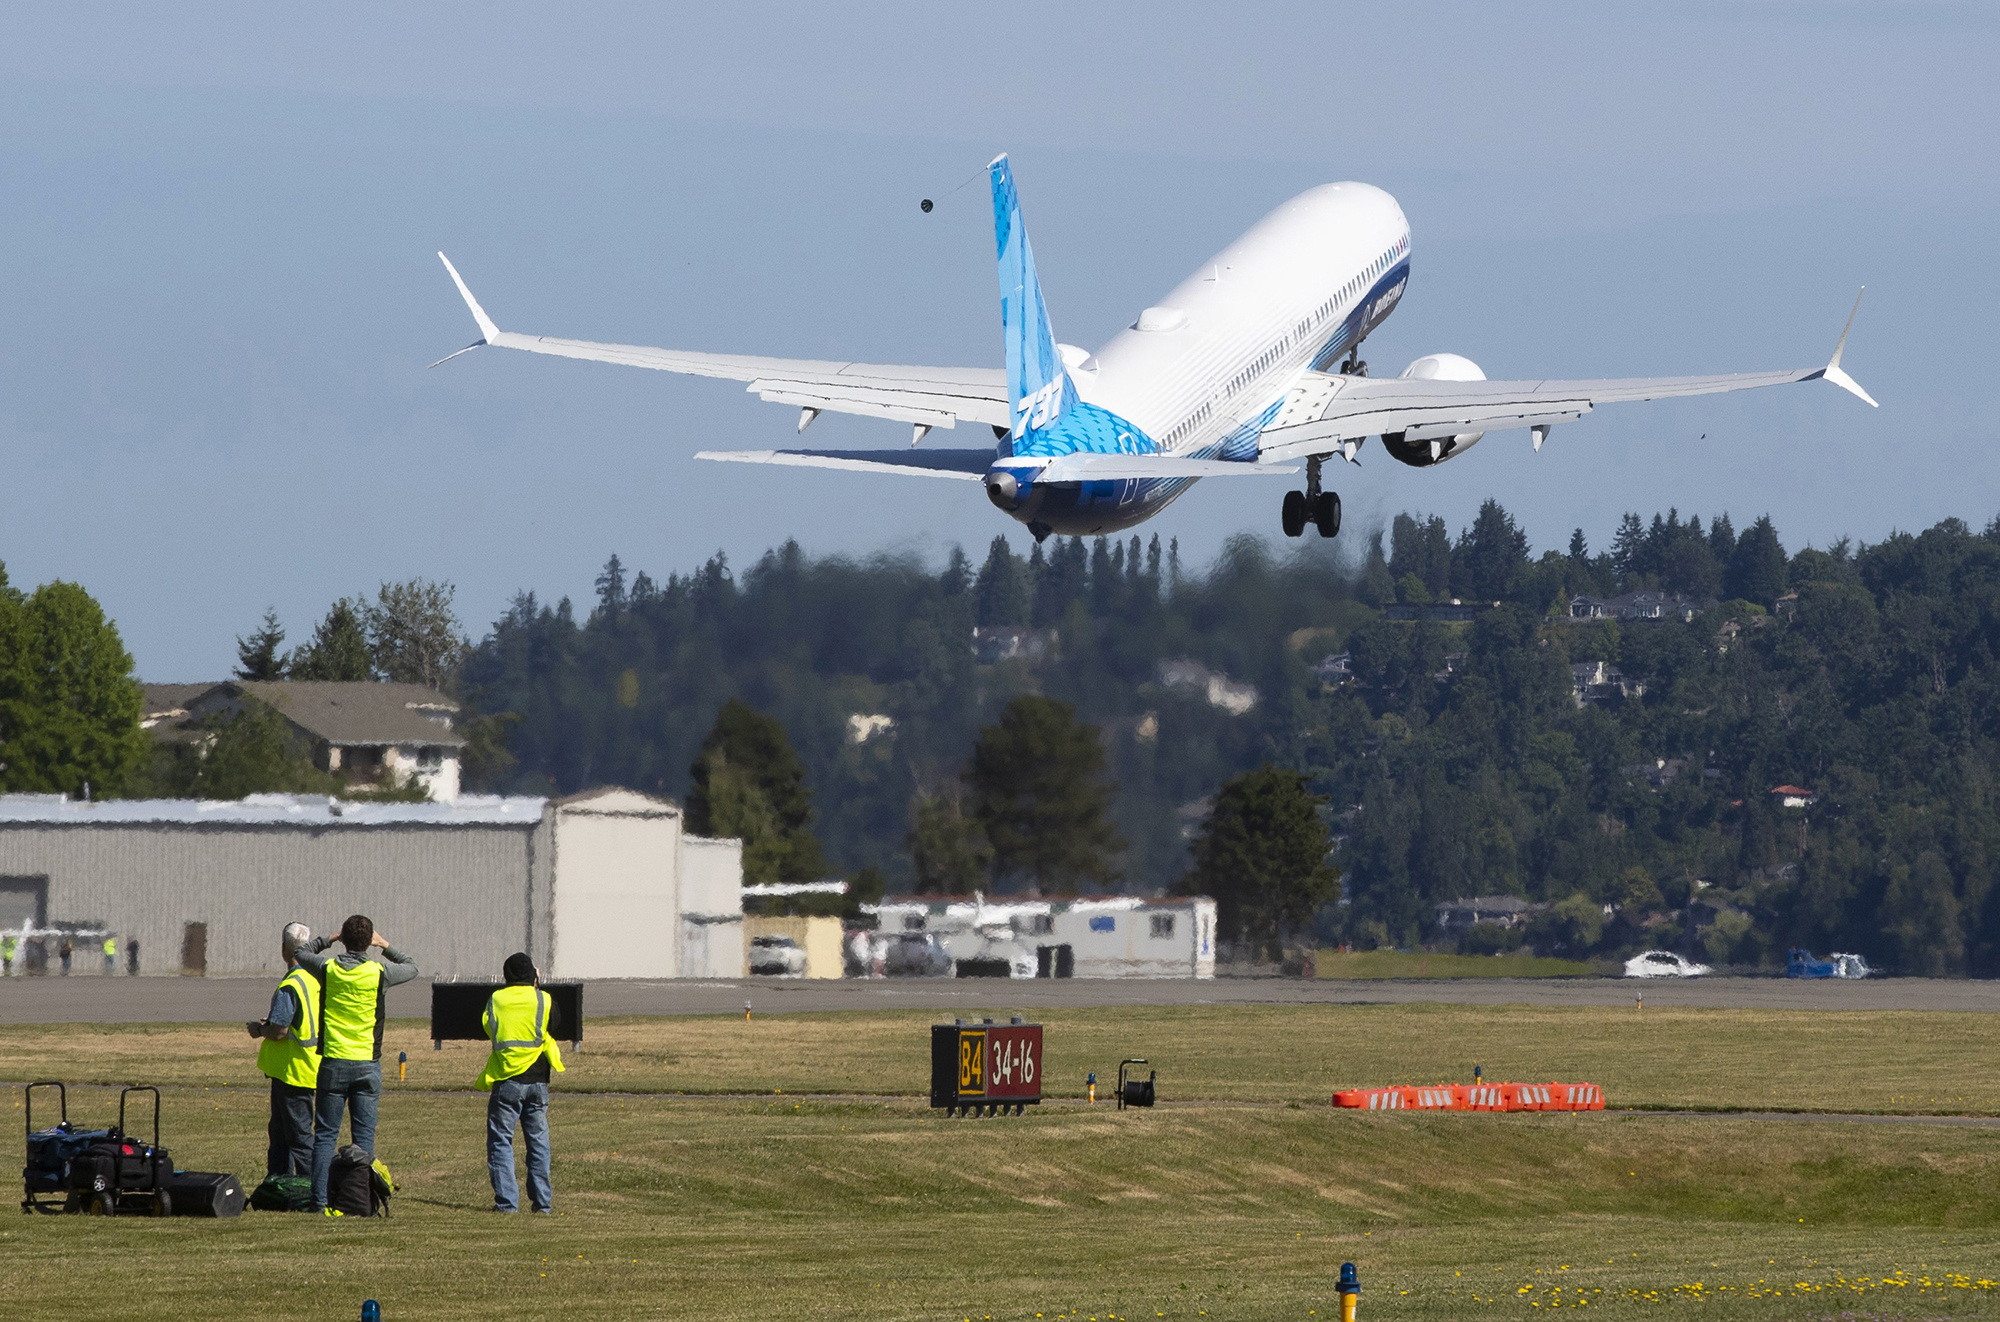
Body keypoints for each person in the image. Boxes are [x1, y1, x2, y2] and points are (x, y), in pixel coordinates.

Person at [295, 914, 418, 1216]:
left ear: (345, 939)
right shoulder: (378, 972)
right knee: (364, 1138)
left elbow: (300, 953)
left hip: (334, 1061)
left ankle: (319, 1202)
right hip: (366, 1064)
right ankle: (362, 1202)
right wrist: (384, 944)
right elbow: (412, 967)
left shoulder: (328, 968)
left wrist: (329, 939)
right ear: (369, 941)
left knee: (325, 1136)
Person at [476, 952, 564, 1213]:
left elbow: (487, 1027)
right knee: (538, 1143)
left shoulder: (496, 999)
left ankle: (506, 1203)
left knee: (501, 1142)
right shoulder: (542, 998)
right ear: (533, 976)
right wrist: (537, 986)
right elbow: (555, 1023)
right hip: (537, 1082)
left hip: (506, 1079)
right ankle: (542, 1204)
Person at [246, 923, 320, 1178]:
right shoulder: (315, 978)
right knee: (280, 1135)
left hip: (292, 1071)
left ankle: (314, 1190)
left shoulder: (292, 984)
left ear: (283, 950)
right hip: (308, 1067)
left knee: (298, 1138)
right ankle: (278, 1185)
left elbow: (279, 1030)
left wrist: (258, 1029)